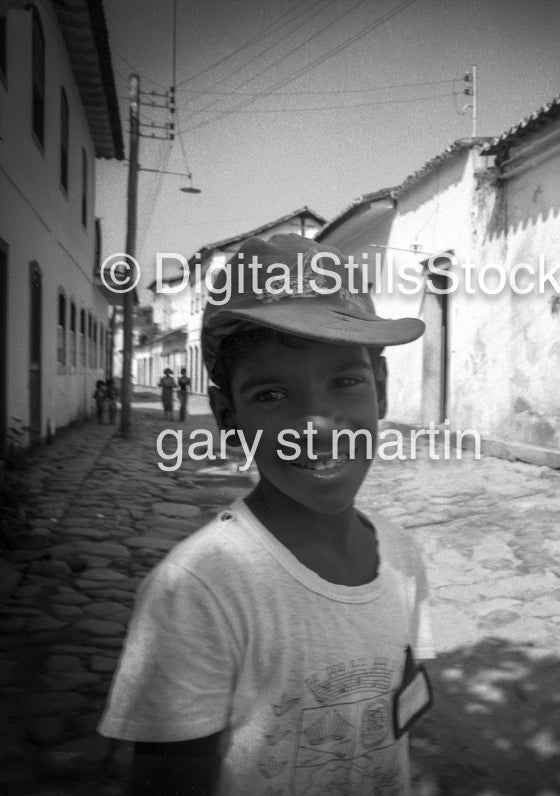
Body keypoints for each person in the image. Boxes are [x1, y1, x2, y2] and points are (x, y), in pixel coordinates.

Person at [99, 234, 434, 795]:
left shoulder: (403, 558)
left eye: (345, 382)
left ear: (381, 388)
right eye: (272, 396)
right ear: (229, 416)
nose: (318, 425)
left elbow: (402, 726)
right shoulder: (199, 590)